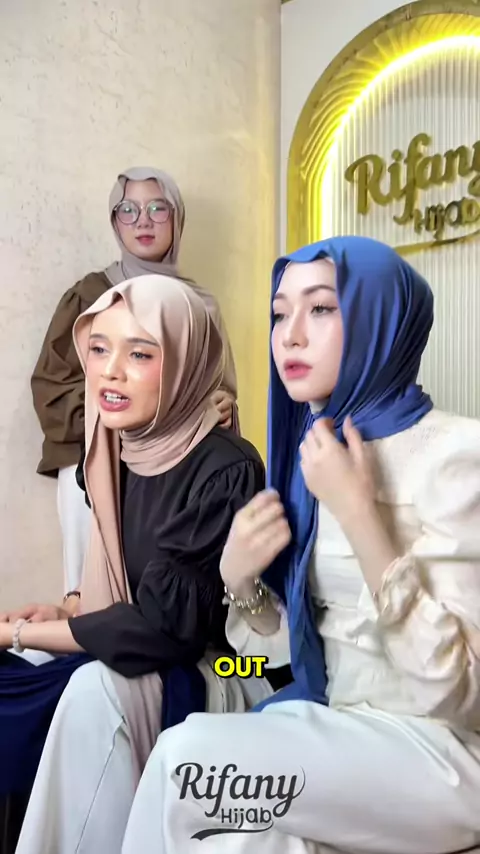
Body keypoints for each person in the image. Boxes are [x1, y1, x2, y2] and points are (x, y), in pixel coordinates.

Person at [120, 236, 480, 854]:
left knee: (186, 760)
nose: (289, 336)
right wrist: (240, 581)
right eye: (279, 313)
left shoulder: (457, 455)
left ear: (379, 320)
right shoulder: (313, 458)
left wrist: (360, 516)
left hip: (443, 754)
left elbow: (460, 693)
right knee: (237, 841)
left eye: (320, 308)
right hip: (338, 733)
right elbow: (296, 659)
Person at [1, 274, 272, 853]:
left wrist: (19, 631)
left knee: (92, 686)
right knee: (18, 670)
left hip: (228, 667)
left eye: (140, 354)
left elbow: (161, 629)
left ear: (184, 363)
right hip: (139, 640)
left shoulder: (226, 468)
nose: (110, 372)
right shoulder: (111, 452)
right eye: (99, 349)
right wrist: (62, 615)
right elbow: (117, 590)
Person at [31, 166, 238, 593]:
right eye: (128, 210)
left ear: (177, 218)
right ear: (114, 221)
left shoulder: (199, 306)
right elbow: (53, 389)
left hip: (178, 470)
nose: (143, 221)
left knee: (167, 596)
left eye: (158, 208)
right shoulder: (92, 296)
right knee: (92, 600)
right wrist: (125, 420)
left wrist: (218, 403)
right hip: (95, 464)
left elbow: (217, 386)